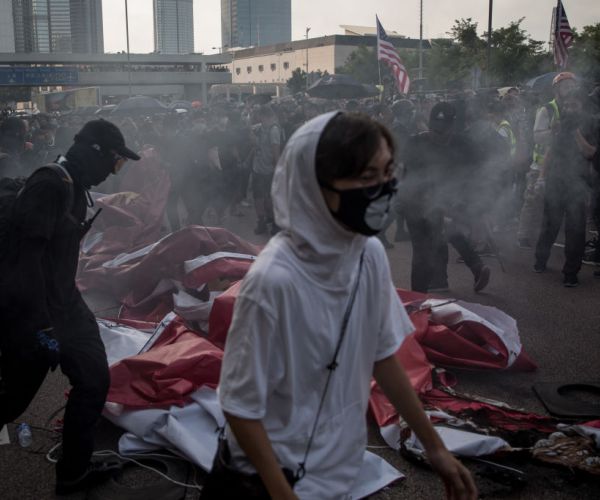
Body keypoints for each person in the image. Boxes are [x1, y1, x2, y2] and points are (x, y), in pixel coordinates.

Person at [205, 112, 477, 499]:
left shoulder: (368, 254)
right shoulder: (272, 282)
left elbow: (382, 356)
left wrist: (434, 446)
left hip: (338, 473)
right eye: (367, 178)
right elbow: (239, 406)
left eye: (387, 172)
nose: (383, 188)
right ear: (316, 187)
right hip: (268, 480)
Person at [0, 119, 140, 495]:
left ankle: (73, 474)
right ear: (95, 153)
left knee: (94, 379)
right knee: (11, 402)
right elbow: (24, 263)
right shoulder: (50, 184)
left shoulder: (76, 188)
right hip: (32, 314)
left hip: (65, 304)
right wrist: (41, 328)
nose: (114, 172)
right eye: (115, 162)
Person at [403, 102, 491, 293]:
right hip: (416, 203)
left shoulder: (465, 145)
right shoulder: (415, 143)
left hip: (448, 199)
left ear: (452, 126)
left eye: (444, 131)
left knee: (448, 232)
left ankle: (462, 273)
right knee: (422, 250)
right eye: (435, 129)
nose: (438, 135)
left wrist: (475, 206)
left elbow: (478, 174)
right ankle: (417, 298)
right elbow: (410, 181)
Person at [533, 88, 598, 287]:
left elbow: (591, 153)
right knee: (549, 225)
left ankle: (571, 272)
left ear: (581, 106)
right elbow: (550, 153)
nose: (569, 109)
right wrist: (541, 178)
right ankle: (540, 261)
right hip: (555, 180)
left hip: (577, 184)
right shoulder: (559, 126)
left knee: (576, 230)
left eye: (574, 105)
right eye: (567, 105)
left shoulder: (592, 124)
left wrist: (576, 133)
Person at [517, 72, 577, 248]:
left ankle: (545, 235)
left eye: (572, 86)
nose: (570, 89)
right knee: (532, 200)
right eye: (566, 86)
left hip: (563, 165)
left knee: (554, 203)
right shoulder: (547, 109)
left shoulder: (575, 107)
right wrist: (554, 131)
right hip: (541, 164)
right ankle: (523, 235)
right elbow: (537, 136)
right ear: (557, 89)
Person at [252, 105, 283, 235]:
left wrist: (277, 168)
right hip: (258, 168)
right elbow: (253, 145)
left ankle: (275, 223)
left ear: (265, 116)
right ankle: (262, 221)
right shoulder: (258, 129)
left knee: (270, 197)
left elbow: (276, 150)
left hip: (269, 169)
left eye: (260, 115)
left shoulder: (274, 130)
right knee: (258, 197)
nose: (258, 118)